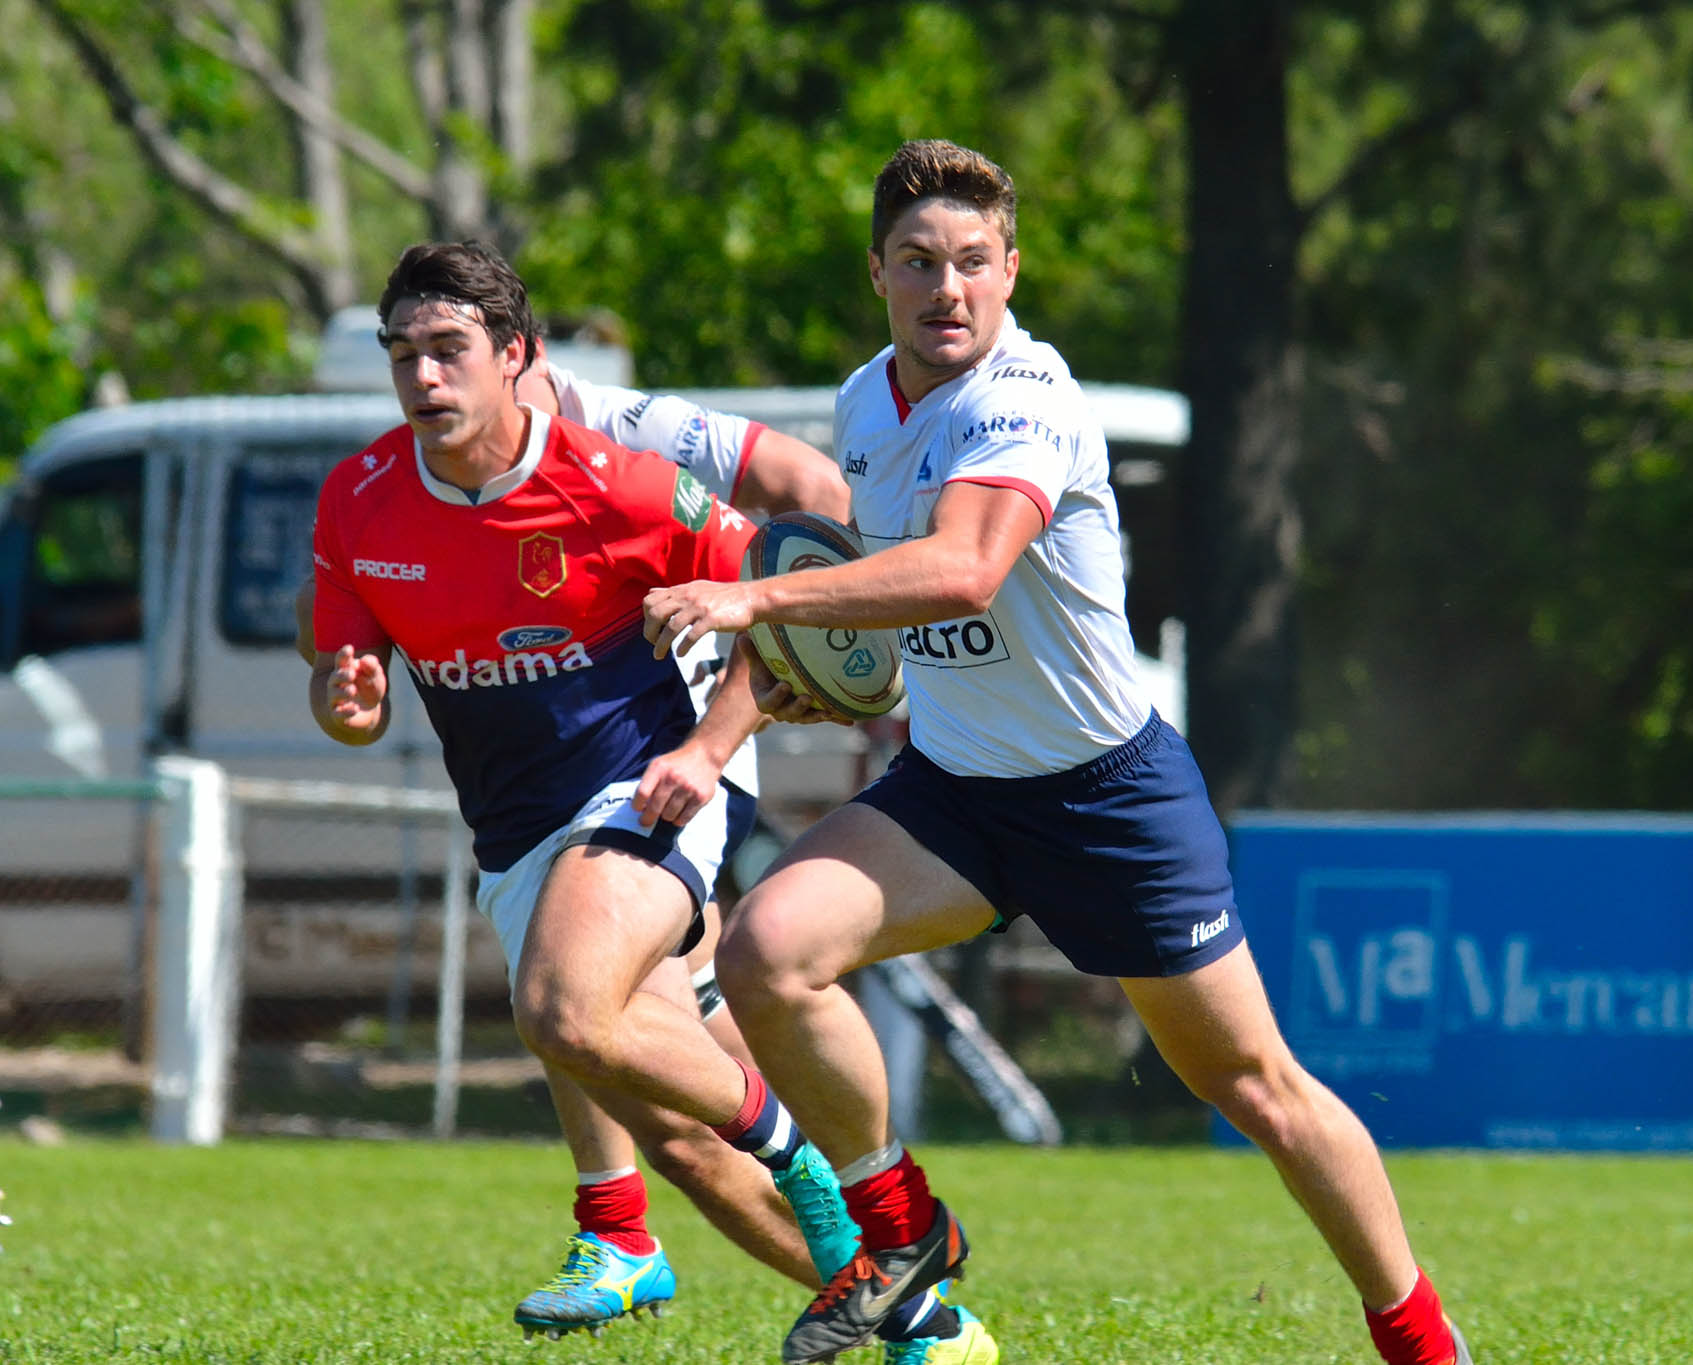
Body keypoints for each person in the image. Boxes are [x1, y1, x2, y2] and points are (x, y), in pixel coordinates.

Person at [642, 139, 1476, 1365]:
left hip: (1108, 800)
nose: (948, 288)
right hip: (957, 794)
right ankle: (901, 1230)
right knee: (768, 951)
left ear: (1011, 270)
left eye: (973, 261)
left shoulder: (1026, 397)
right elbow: (878, 593)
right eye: (918, 261)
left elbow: (963, 569)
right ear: (877, 272)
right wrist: (785, 694)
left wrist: (755, 600)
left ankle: (1419, 1339)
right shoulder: (867, 402)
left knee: (1257, 1089)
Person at [307, 239, 989, 1364]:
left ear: (514, 356)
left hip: (649, 781)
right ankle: (928, 1325)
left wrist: (711, 750)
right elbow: (347, 691)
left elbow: (773, 604)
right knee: (681, 1138)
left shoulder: (615, 481)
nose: (424, 376)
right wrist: (349, 699)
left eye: (448, 349)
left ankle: (805, 1169)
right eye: (403, 354)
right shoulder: (360, 500)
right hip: (517, 833)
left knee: (561, 1010)